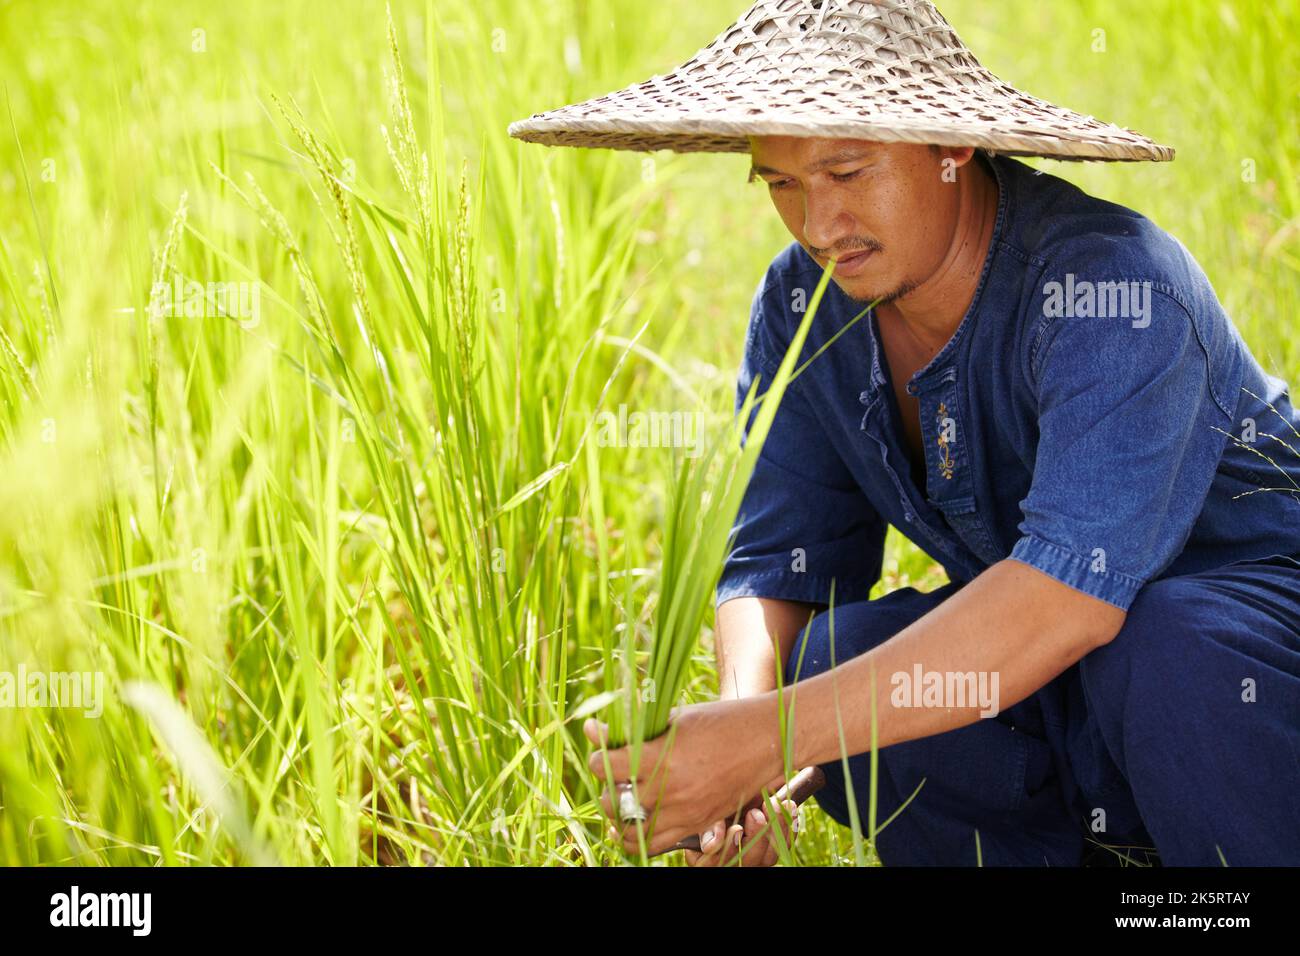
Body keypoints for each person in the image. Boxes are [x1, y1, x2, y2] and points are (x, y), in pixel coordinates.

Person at [510, 0, 1300, 865]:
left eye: (847, 173)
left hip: (1236, 683)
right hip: (1069, 690)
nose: (817, 227)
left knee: (1164, 644)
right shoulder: (804, 305)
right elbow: (778, 563)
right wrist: (742, 739)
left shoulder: (1115, 290)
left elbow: (1062, 603)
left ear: (952, 144)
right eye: (781, 183)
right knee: (827, 659)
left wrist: (764, 739)